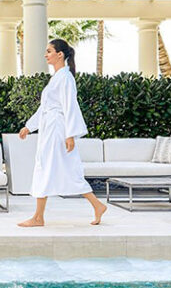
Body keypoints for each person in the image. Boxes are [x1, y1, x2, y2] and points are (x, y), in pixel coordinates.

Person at [17, 39, 107, 227]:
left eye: (49, 51)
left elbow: (70, 106)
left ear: (60, 55)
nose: (45, 54)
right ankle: (96, 205)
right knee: (60, 168)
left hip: (57, 129)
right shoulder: (57, 78)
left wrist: (70, 135)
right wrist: (29, 126)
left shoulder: (66, 78)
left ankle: (38, 218)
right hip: (50, 127)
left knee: (47, 167)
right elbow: (45, 107)